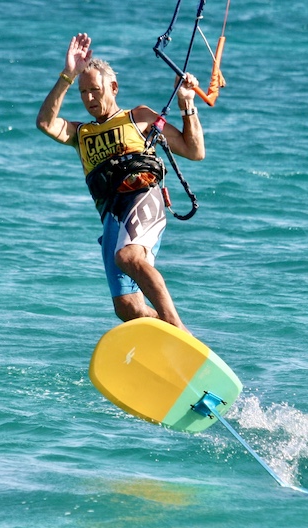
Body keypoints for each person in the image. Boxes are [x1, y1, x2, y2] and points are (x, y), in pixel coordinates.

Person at [36, 33, 204, 333]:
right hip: (112, 215)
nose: (89, 98)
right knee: (126, 307)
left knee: (128, 257)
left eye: (95, 90)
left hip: (142, 197)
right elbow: (46, 123)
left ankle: (178, 328)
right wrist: (68, 74)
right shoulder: (80, 133)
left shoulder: (138, 117)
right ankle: (171, 338)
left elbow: (194, 151)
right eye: (83, 92)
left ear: (113, 88)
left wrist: (186, 104)